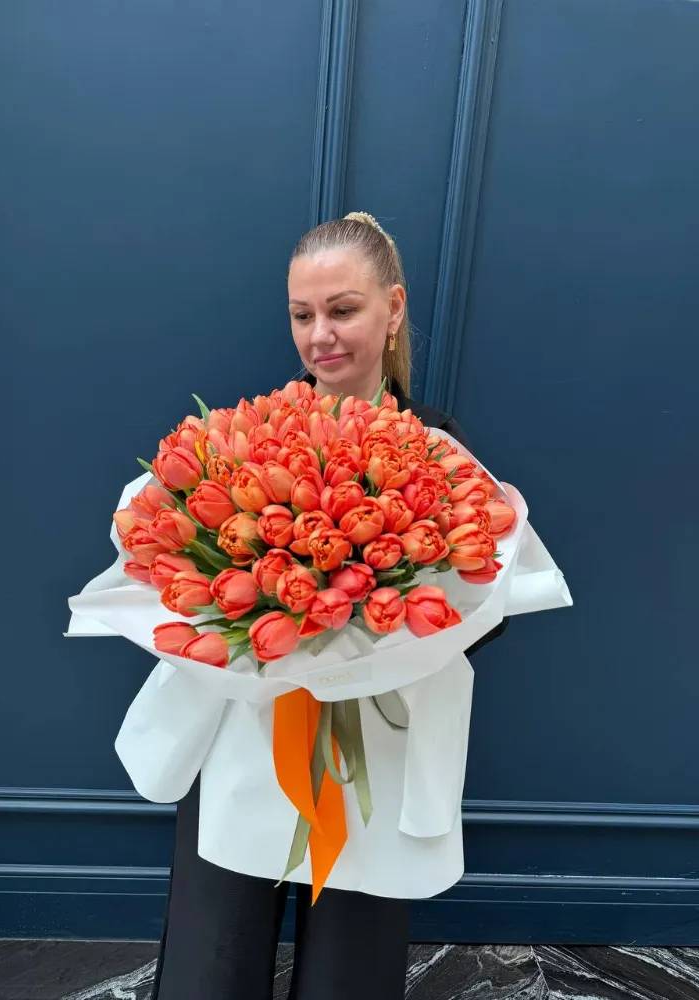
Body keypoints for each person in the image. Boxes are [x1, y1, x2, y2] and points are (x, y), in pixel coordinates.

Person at [148, 211, 509, 1000]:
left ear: (395, 308)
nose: (321, 336)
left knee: (351, 971)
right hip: (244, 738)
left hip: (369, 750)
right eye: (302, 314)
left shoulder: (441, 450)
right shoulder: (240, 445)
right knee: (213, 961)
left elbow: (483, 608)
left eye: (343, 310)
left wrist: (369, 647)